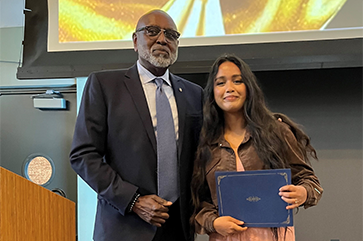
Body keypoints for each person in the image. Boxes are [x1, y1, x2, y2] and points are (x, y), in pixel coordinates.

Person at [70, 10, 203, 241]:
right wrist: (133, 201)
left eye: (170, 35)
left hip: (178, 230)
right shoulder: (105, 86)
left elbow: (203, 156)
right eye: (152, 31)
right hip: (124, 226)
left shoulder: (194, 94)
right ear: (135, 41)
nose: (162, 39)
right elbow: (83, 155)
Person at [190, 54, 323, 241]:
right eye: (220, 83)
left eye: (237, 81)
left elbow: (312, 184)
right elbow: (197, 203)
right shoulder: (204, 143)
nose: (229, 88)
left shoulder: (277, 131)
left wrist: (303, 193)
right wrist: (213, 222)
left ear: (249, 87)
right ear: (212, 92)